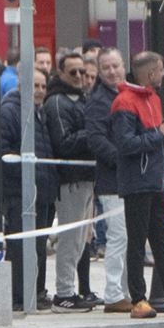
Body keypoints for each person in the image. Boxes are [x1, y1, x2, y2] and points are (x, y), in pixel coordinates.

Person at [111, 51, 164, 319]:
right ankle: (139, 299)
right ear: (150, 73)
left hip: (154, 179)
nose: (162, 74)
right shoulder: (124, 102)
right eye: (159, 70)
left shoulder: (153, 99)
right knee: (137, 241)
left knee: (161, 240)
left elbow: (150, 140)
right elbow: (126, 144)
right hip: (137, 182)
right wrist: (160, 135)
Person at [43, 51, 100, 308]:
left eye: (83, 72)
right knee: (70, 237)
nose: (79, 77)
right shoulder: (57, 102)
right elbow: (63, 143)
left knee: (80, 238)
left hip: (86, 176)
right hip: (70, 179)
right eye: (73, 72)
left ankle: (70, 290)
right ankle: (64, 292)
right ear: (61, 73)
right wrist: (94, 133)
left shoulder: (80, 99)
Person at [80, 47, 133, 313]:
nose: (113, 72)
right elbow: (96, 140)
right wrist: (124, 160)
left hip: (130, 179)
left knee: (127, 237)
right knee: (118, 236)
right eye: (106, 68)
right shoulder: (99, 100)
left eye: (116, 66)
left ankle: (125, 291)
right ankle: (113, 293)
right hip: (113, 181)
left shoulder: (128, 93)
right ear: (99, 72)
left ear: (123, 66)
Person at [0, 69, 56, 312]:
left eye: (44, 86)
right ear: (22, 86)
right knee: (22, 247)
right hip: (20, 192)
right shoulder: (10, 111)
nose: (40, 91)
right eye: (35, 85)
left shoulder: (39, 113)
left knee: (38, 246)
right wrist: (25, 177)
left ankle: (34, 292)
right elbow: (3, 152)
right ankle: (20, 296)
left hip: (40, 190)